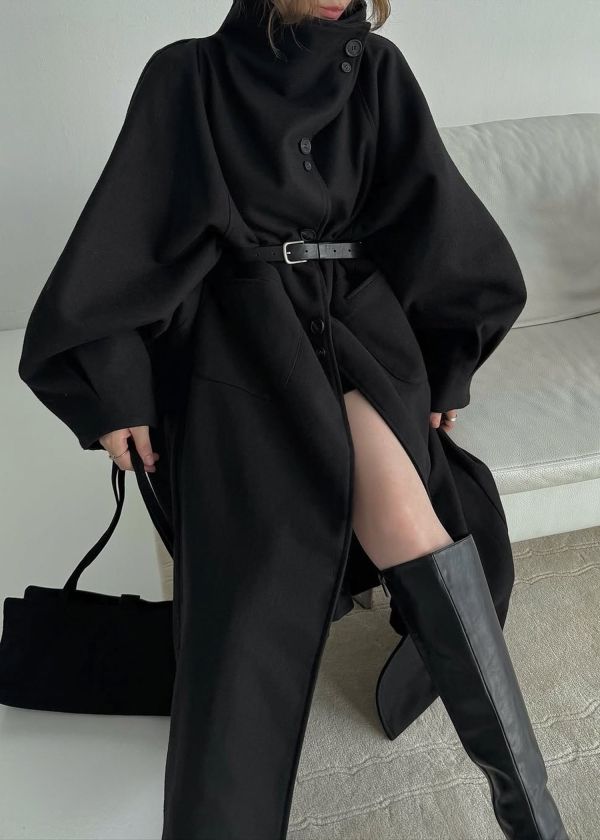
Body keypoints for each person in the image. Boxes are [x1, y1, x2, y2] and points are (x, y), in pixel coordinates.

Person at [19, 1, 569, 837]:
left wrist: (448, 363)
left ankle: (531, 815)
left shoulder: (377, 72)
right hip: (239, 347)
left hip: (360, 328)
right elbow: (126, 239)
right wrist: (114, 391)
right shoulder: (188, 74)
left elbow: (432, 220)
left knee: (409, 522)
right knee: (250, 592)